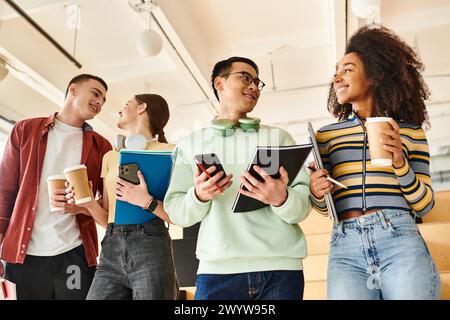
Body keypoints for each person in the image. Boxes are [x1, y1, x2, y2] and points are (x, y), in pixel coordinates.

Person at [309, 25, 441, 300]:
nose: (337, 77)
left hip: (399, 238)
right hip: (345, 246)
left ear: (374, 75)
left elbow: (425, 204)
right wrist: (317, 191)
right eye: (336, 70)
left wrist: (400, 164)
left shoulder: (411, 132)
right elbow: (325, 206)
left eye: (347, 69)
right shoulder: (327, 135)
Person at [164, 56, 311, 300]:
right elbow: (177, 212)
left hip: (281, 270)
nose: (254, 86)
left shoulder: (279, 138)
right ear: (219, 83)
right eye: (245, 77)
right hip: (217, 272)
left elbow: (302, 209)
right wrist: (199, 196)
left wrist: (281, 198)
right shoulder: (190, 145)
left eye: (257, 82)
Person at [0, 74, 112, 299]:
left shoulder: (101, 146)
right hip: (24, 255)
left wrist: (81, 207)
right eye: (96, 93)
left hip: (75, 254)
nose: (100, 103)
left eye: (103, 100)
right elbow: (5, 191)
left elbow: (109, 206)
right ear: (72, 89)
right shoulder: (25, 130)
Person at [68, 94, 179, 300]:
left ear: (142, 107)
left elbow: (179, 216)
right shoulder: (110, 156)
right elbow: (108, 217)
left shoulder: (172, 152)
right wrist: (90, 204)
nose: (120, 109)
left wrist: (146, 201)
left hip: (152, 246)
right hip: (111, 246)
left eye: (127, 103)